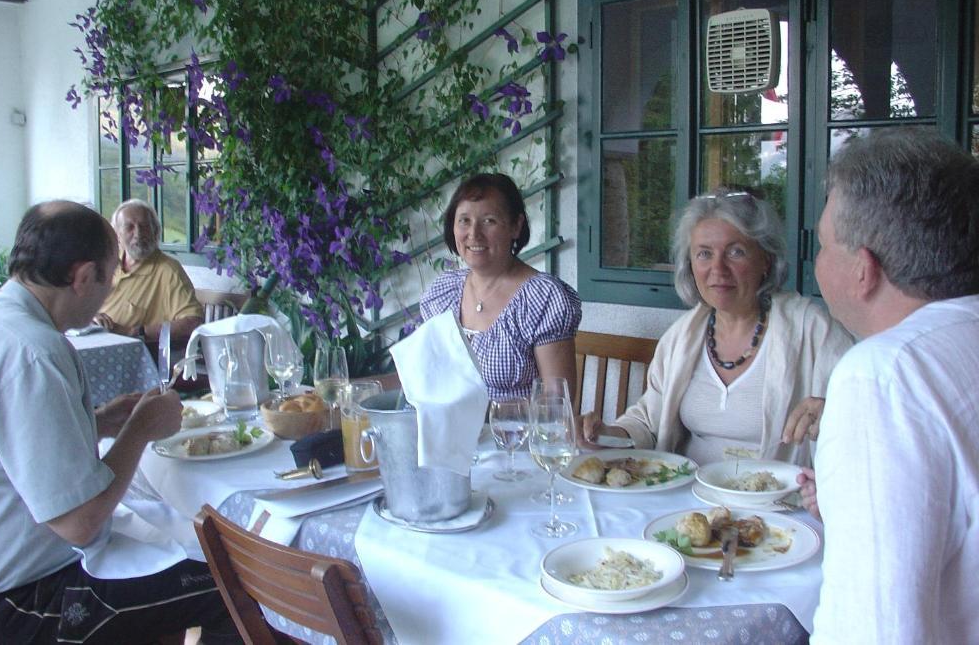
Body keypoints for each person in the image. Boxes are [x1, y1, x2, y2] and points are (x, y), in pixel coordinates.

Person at [0, 201, 240, 644]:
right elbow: (80, 523)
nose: (109, 292)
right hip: (19, 604)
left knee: (177, 556)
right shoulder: (33, 351)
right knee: (238, 582)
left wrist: (100, 422)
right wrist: (139, 431)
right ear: (83, 277)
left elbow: (11, 439)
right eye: (108, 278)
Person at [810, 129, 979, 643]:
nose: (816, 262)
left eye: (821, 245)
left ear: (863, 271)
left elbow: (874, 626)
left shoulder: (883, 375)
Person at [583, 187, 853, 466]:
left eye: (735, 252)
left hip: (779, 503)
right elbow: (648, 422)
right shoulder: (681, 337)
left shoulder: (812, 330)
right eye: (704, 254)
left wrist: (831, 412)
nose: (718, 269)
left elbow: (864, 412)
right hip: (688, 501)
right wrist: (606, 435)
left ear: (766, 260)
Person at [420, 173, 581, 400]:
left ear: (516, 226)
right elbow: (423, 377)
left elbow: (555, 403)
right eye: (464, 220)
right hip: (446, 433)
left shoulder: (543, 298)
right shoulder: (442, 292)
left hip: (516, 434)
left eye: (489, 221)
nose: (474, 234)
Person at [94, 199, 203, 344]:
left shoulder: (168, 270)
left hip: (137, 355)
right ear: (117, 235)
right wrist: (93, 317)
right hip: (96, 342)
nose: (138, 233)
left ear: (156, 232)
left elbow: (192, 323)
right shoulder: (106, 263)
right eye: (129, 227)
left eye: (145, 226)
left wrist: (135, 332)